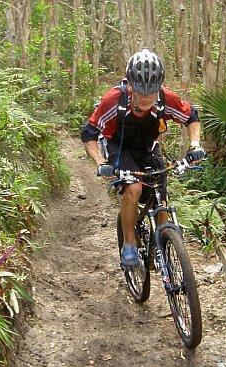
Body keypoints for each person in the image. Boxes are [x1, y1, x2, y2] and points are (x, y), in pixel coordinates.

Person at [81, 49, 205, 268]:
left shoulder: (166, 98)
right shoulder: (113, 101)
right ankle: (129, 245)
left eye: (152, 92)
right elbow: (89, 133)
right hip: (119, 147)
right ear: (130, 86)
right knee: (134, 188)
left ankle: (164, 243)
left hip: (148, 147)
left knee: (160, 191)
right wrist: (101, 163)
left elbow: (191, 117)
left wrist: (195, 145)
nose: (147, 98)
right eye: (141, 92)